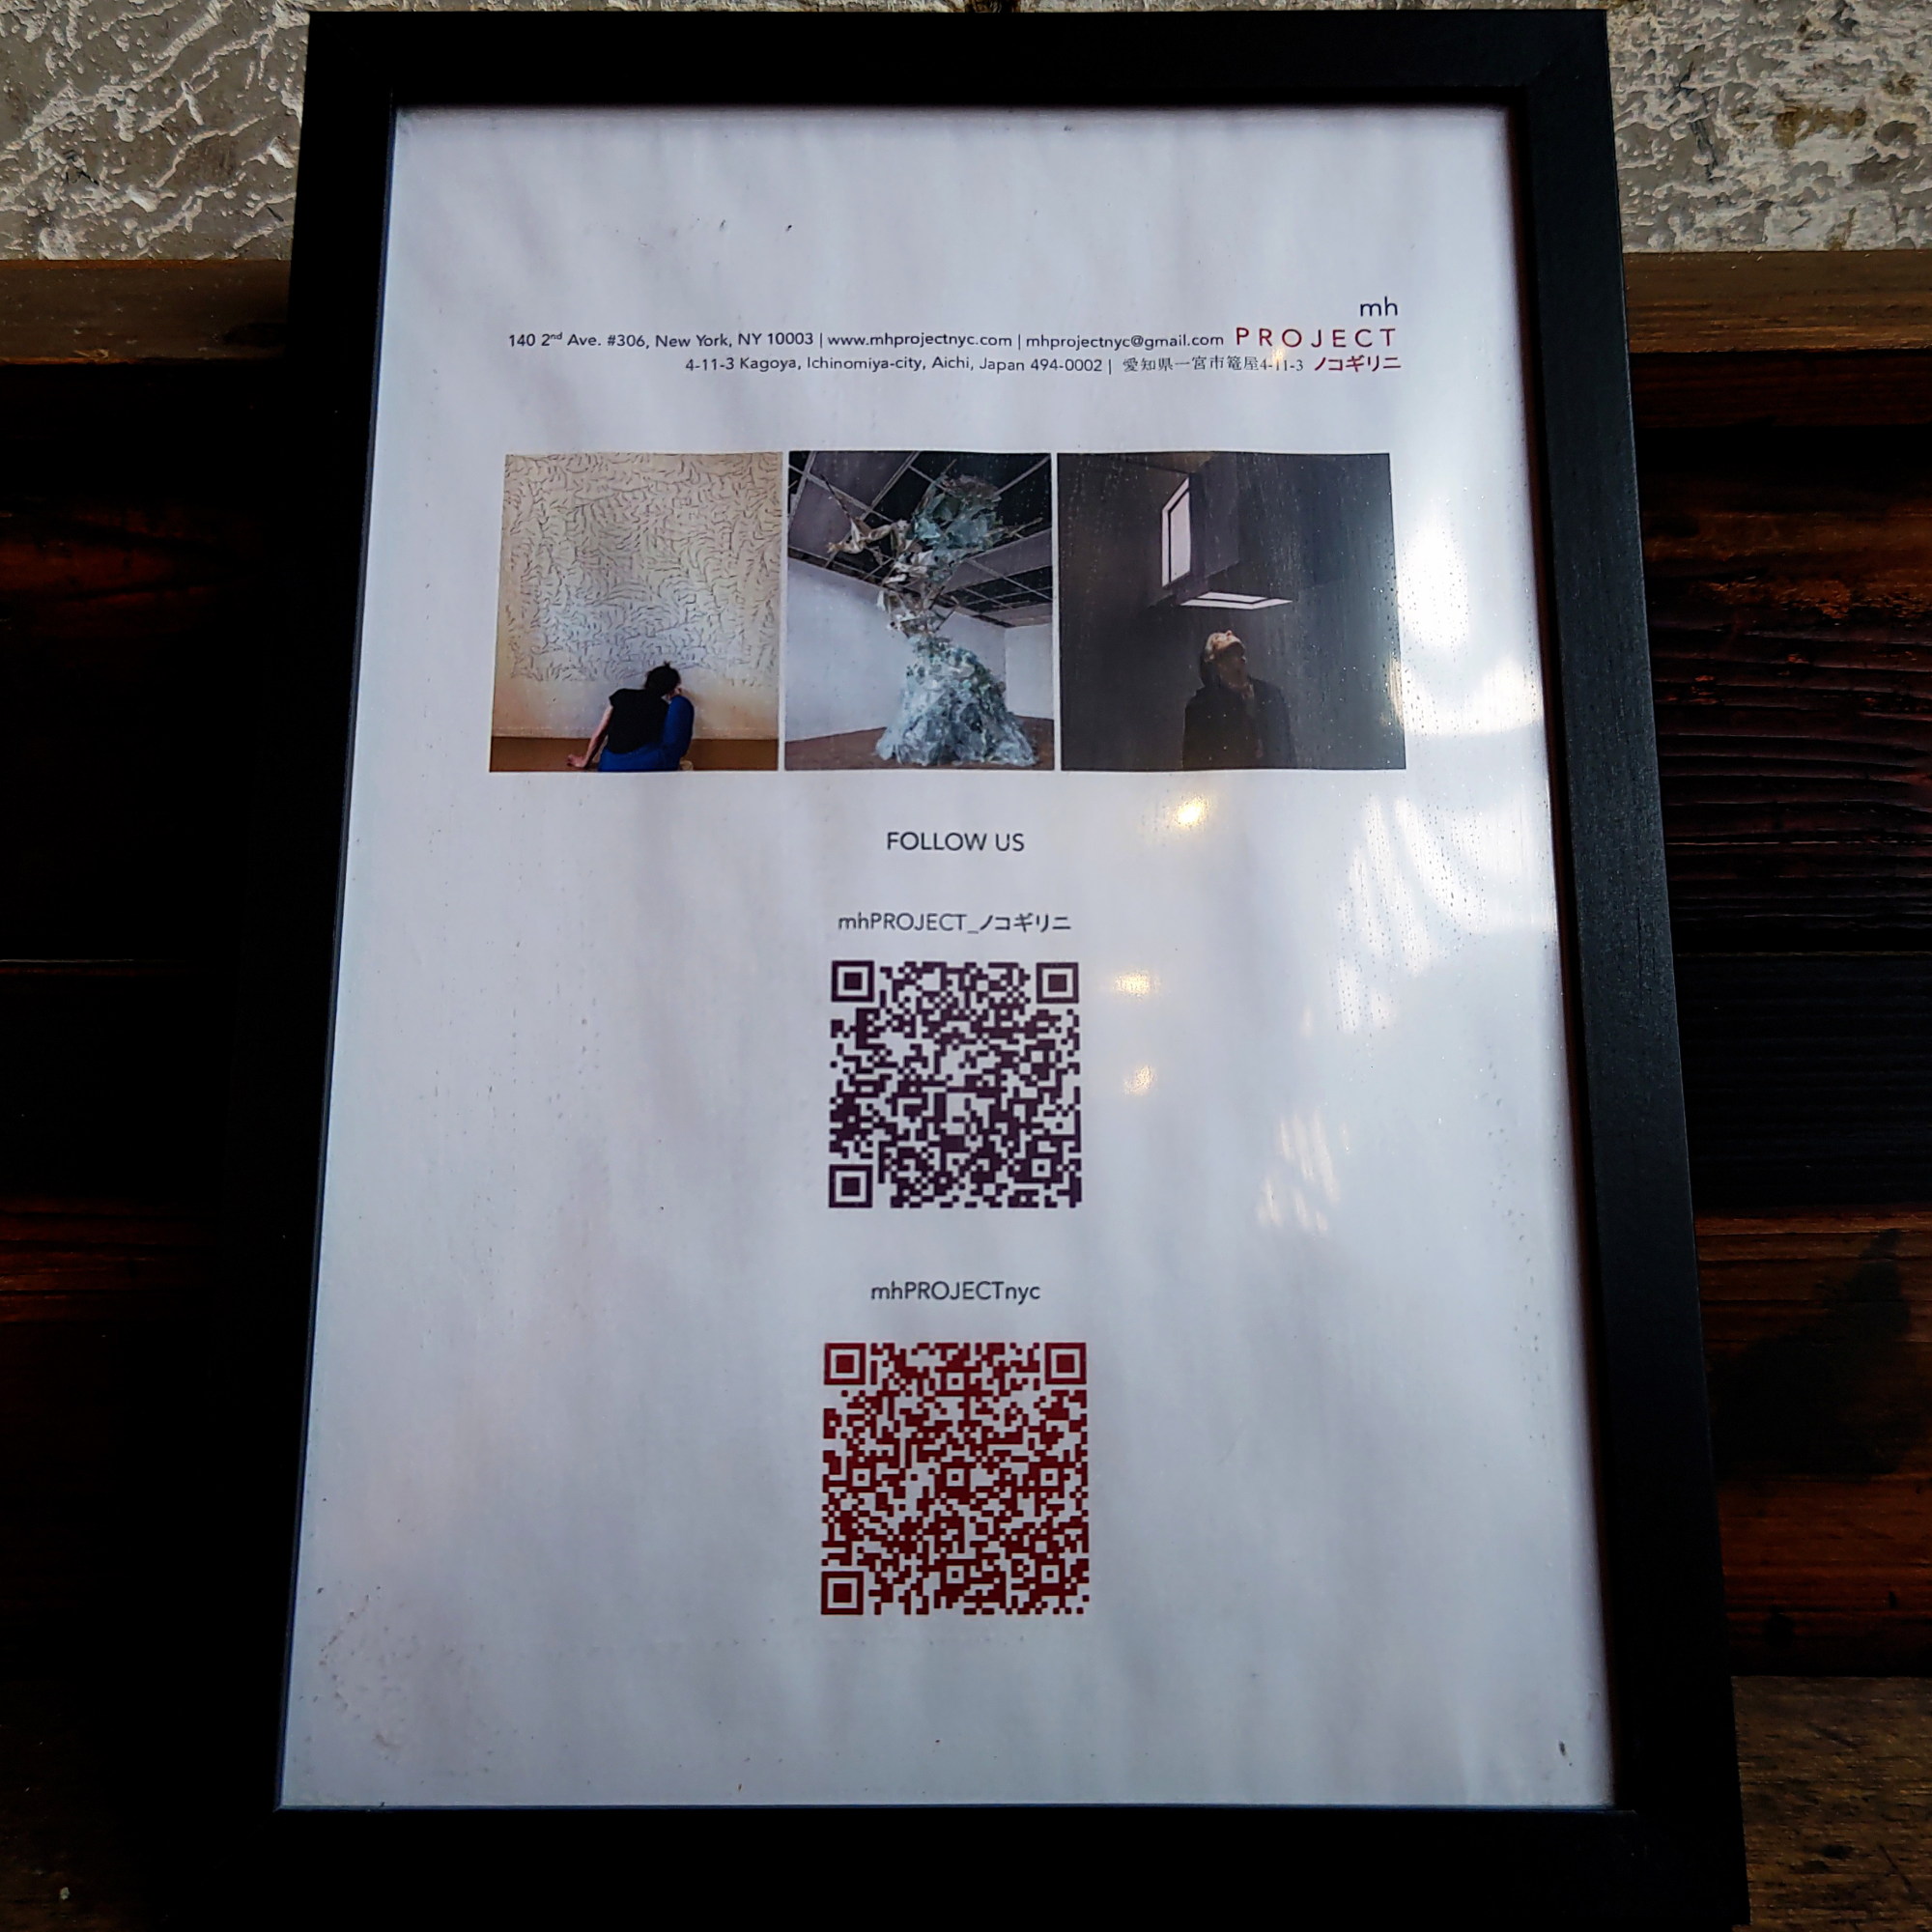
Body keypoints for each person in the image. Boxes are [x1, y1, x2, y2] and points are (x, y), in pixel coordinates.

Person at [1181, 630, 1293, 770]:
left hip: (1272, 779)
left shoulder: (1270, 695)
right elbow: (1195, 761)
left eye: (1240, 653)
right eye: (1219, 638)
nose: (1229, 633)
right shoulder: (1201, 706)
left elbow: (1286, 749)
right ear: (1216, 663)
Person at [569, 664, 694, 771]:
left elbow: (599, 733)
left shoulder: (621, 695)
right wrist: (676, 698)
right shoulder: (664, 708)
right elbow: (671, 738)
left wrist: (585, 761)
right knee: (681, 704)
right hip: (647, 766)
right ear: (670, 689)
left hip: (610, 766)